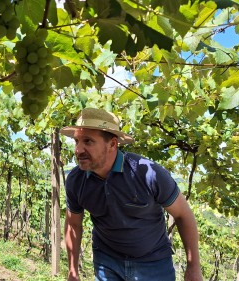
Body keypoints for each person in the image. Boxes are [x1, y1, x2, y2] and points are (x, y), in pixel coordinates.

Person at [60, 108, 203, 281]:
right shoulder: (76, 180)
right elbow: (73, 225)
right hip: (106, 261)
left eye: (88, 141)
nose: (78, 150)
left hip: (154, 264)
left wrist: (194, 268)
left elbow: (183, 215)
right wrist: (72, 271)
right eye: (77, 141)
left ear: (112, 144)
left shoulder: (149, 175)